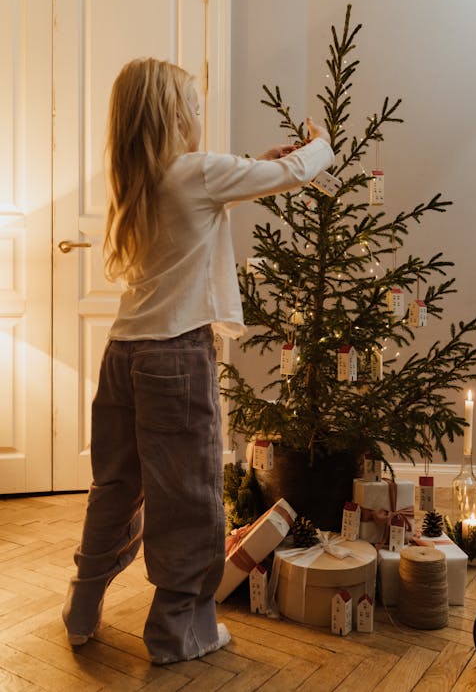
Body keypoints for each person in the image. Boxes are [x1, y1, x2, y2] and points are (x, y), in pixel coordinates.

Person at [62, 57, 335, 664]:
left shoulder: (137, 177)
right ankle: (177, 633)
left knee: (115, 486)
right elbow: (292, 173)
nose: (200, 118)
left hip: (121, 354)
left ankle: (82, 605)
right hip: (175, 359)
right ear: (172, 116)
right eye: (194, 107)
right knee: (186, 496)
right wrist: (323, 147)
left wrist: (254, 161)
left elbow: (214, 195)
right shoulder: (195, 172)